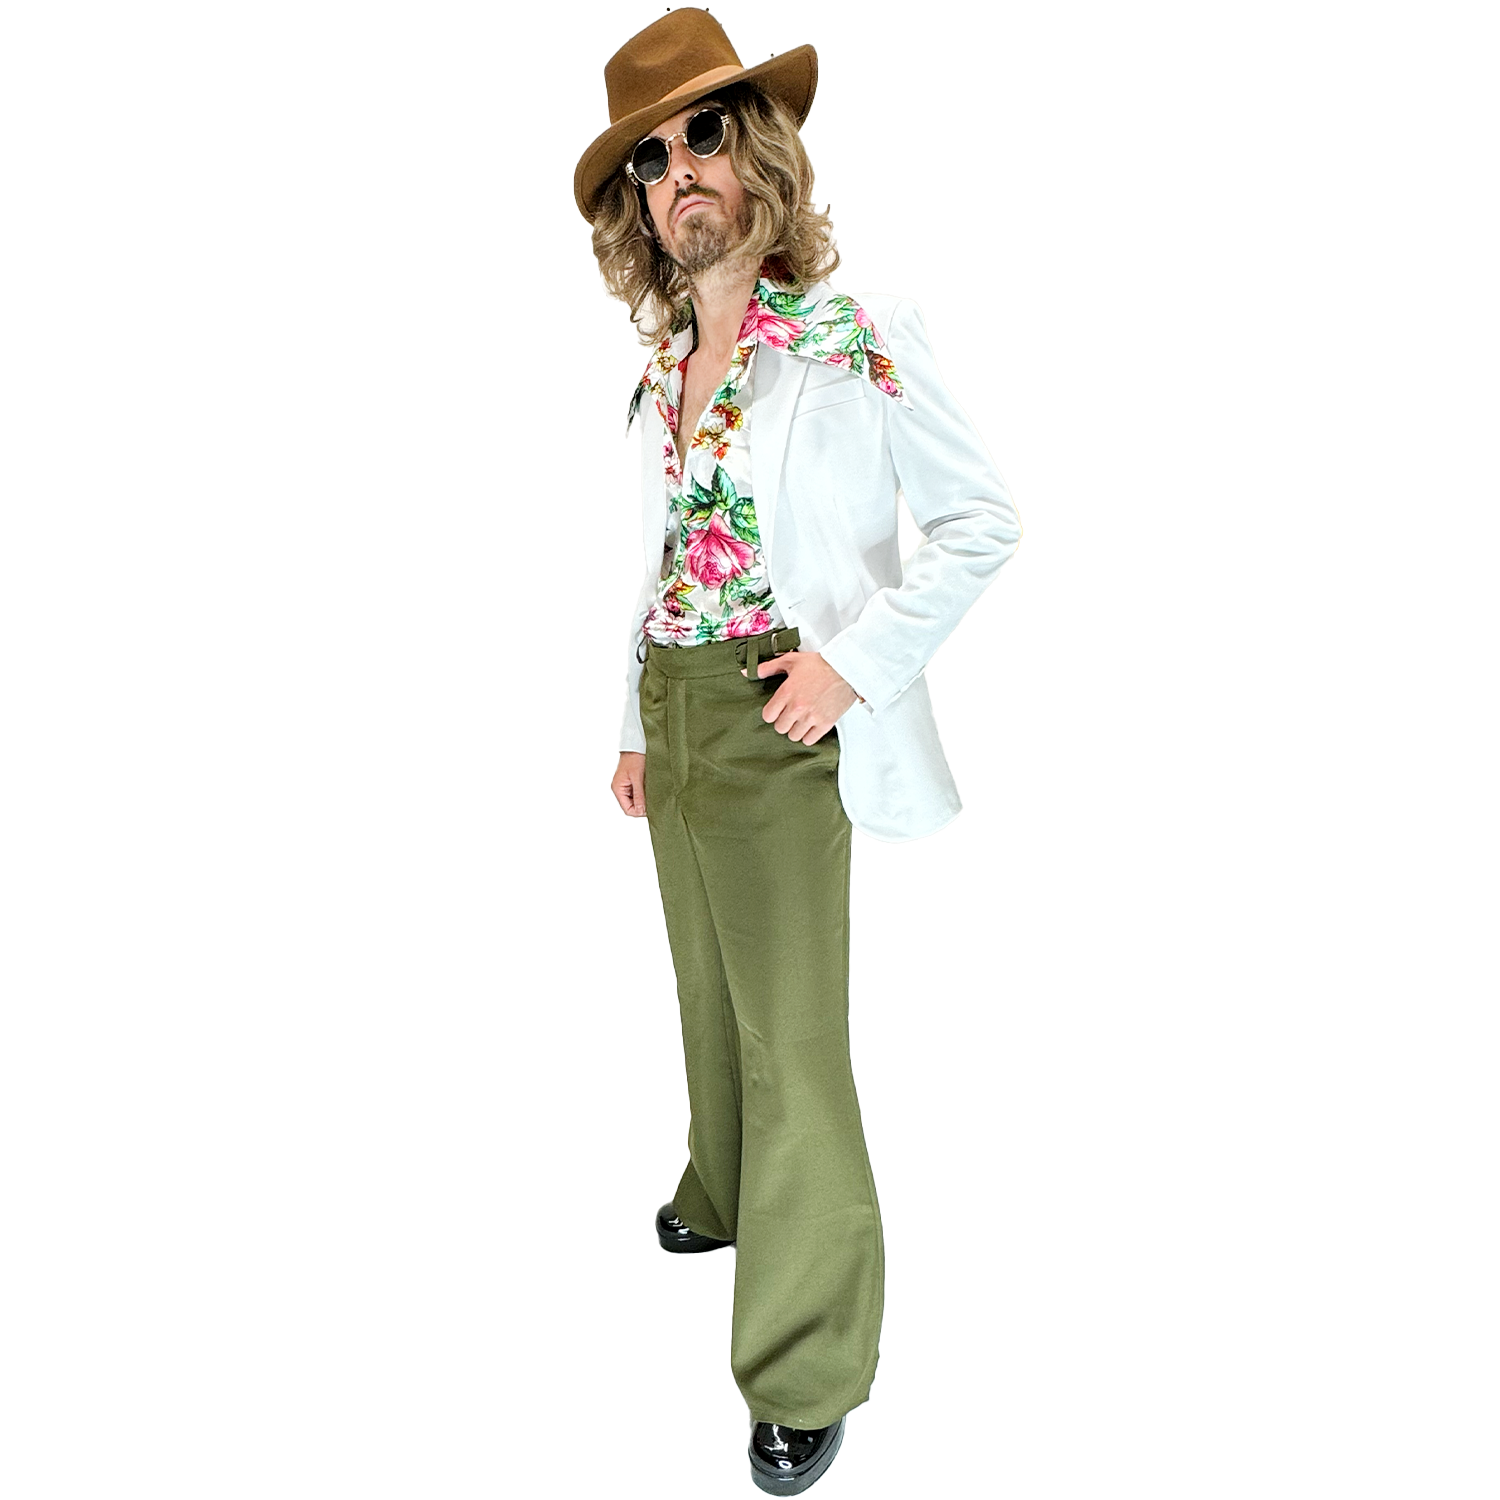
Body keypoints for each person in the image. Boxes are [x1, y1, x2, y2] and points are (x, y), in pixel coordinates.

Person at [575, 9, 1021, 1492]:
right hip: (678, 710)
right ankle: (722, 1183)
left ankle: (807, 1358)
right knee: (703, 985)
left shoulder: (854, 330)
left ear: (757, 148)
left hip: (781, 714)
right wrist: (633, 725)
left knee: (792, 1034)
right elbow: (655, 563)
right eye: (649, 160)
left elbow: (983, 521)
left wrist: (851, 666)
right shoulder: (662, 363)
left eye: (701, 133)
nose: (678, 173)